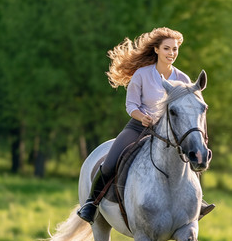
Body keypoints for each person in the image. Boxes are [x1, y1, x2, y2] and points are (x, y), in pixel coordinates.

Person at [77, 27, 214, 224]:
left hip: (171, 132)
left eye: (175, 49)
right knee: (110, 162)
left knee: (192, 155)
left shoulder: (182, 79)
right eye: (167, 49)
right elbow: (130, 105)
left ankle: (196, 202)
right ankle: (92, 203)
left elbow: (190, 110)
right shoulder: (141, 75)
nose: (171, 53)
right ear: (157, 50)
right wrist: (142, 117)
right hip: (139, 127)